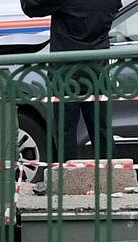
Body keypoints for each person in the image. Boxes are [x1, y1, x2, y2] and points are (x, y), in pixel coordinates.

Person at [19, 0, 120, 162]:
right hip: (97, 69)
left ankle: (68, 177)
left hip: (66, 72)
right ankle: (110, 176)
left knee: (65, 131)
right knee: (102, 130)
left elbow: (31, 8)